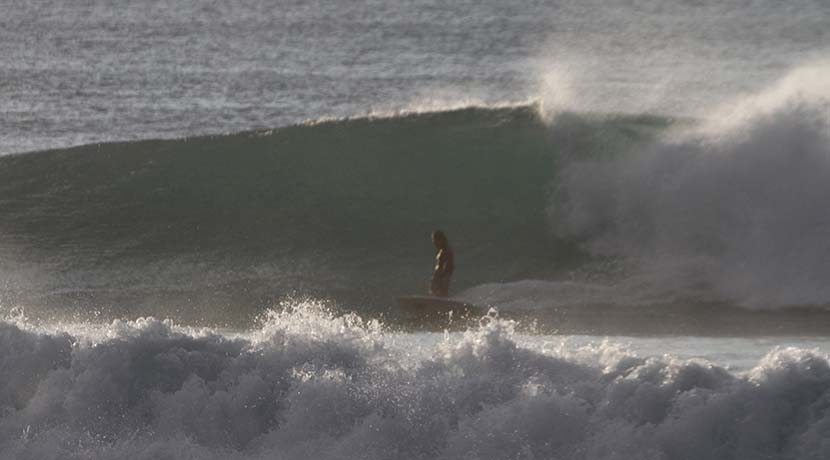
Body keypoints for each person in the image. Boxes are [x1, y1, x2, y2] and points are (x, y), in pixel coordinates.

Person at [429, 230, 454, 297]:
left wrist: (443, 274)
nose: (434, 243)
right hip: (440, 273)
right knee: (434, 290)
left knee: (441, 291)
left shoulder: (447, 250)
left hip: (443, 273)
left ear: (441, 240)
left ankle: (441, 299)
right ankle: (437, 298)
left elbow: (449, 264)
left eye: (435, 241)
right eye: (433, 241)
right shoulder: (442, 250)